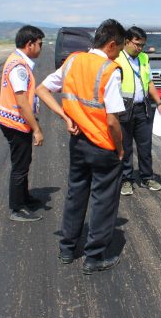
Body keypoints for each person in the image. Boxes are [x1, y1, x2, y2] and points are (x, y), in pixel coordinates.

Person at [36, 19, 126, 274]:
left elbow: (42, 89)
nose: (118, 53)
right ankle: (94, 257)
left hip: (78, 143)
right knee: (103, 201)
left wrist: (65, 116)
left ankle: (67, 249)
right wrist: (119, 149)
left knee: (76, 194)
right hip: (103, 146)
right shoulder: (110, 70)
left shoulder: (73, 61)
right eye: (118, 48)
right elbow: (112, 119)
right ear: (111, 44)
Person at [0, 25, 46, 222]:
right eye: (39, 44)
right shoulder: (19, 67)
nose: (40, 48)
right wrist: (37, 129)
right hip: (16, 124)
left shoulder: (15, 60)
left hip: (12, 121)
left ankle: (24, 198)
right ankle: (17, 208)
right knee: (20, 166)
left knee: (23, 162)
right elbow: (22, 102)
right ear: (29, 44)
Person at [116, 26, 161, 196]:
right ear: (127, 42)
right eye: (137, 44)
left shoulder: (144, 58)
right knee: (125, 146)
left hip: (143, 107)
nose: (140, 48)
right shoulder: (117, 58)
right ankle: (126, 180)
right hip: (123, 109)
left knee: (145, 146)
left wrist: (158, 102)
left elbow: (149, 82)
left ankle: (147, 177)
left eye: (142, 45)